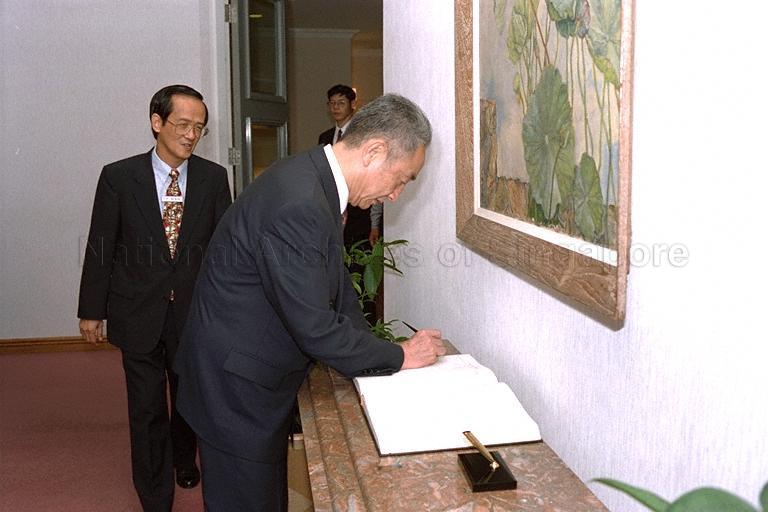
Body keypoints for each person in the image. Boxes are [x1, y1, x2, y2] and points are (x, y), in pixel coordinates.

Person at [174, 93, 445, 511]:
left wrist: (373, 349)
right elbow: (315, 326)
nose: (396, 194)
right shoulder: (300, 203)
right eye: (403, 177)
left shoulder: (313, 178)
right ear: (374, 152)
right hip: (235, 389)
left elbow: (333, 286)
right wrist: (399, 355)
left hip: (245, 370)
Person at [77, 84, 232, 512]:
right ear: (157, 123)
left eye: (199, 128)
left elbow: (223, 253)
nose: (190, 135)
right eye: (182, 124)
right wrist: (91, 310)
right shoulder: (118, 177)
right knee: (146, 410)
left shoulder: (214, 178)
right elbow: (101, 245)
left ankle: (185, 459)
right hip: (136, 312)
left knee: (187, 399)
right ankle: (154, 496)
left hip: (192, 314)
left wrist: (227, 312)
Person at [318, 84, 382, 249]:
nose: (336, 107)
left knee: (358, 267)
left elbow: (374, 178)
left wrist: (374, 223)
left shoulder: (364, 136)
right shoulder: (324, 137)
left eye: (341, 103)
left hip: (360, 214)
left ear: (353, 104)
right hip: (332, 215)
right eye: (332, 103)